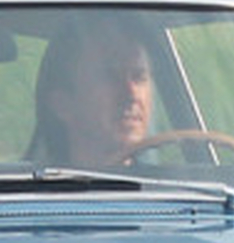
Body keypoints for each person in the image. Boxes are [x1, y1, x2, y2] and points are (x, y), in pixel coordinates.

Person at [29, 23, 156, 167]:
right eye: (111, 77)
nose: (132, 94)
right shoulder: (34, 189)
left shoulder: (173, 185)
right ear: (62, 105)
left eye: (139, 77)